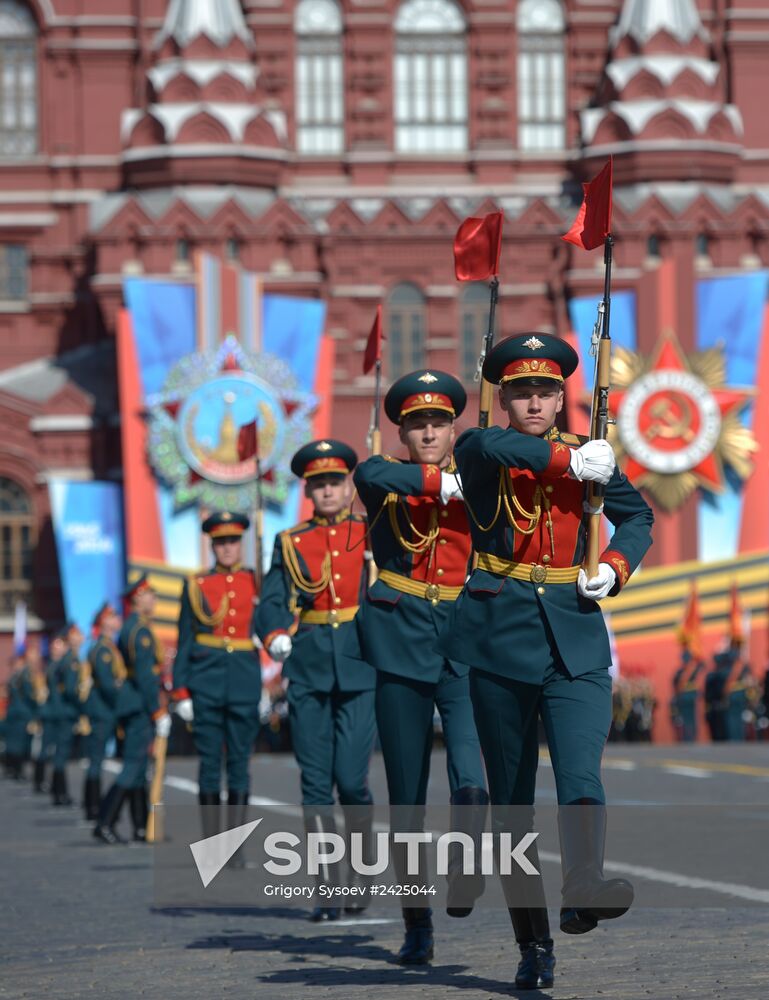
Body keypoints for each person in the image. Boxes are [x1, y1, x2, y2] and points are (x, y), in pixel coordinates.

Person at [438, 332, 654, 944]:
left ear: (562, 399)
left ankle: (583, 887)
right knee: (513, 802)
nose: (534, 403)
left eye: (546, 392)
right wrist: (569, 463)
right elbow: (486, 444)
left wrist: (613, 566)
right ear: (504, 400)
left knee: (581, 773)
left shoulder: (591, 454)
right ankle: (532, 944)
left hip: (575, 636)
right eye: (522, 392)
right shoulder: (482, 450)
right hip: (499, 638)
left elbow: (637, 517)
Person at [352, 371, 503, 969]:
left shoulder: (480, 478)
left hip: (464, 635)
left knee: (470, 761)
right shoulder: (388, 479)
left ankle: (465, 864)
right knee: (406, 791)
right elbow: (369, 474)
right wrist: (443, 483)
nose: (430, 434)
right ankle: (417, 922)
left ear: (454, 429)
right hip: (401, 638)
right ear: (403, 433)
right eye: (418, 425)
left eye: (440, 424)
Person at [255, 440, 375, 921]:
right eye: (319, 484)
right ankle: (327, 886)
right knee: (315, 784)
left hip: (360, 663)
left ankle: (361, 873)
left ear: (349, 487)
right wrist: (274, 634)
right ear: (308, 491)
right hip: (307, 667)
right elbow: (271, 599)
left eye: (335, 482)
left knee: (351, 780)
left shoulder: (369, 531)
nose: (327, 491)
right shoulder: (290, 541)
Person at [172, 512, 261, 857]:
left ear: (241, 544)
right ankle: (212, 847)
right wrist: (180, 689)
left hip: (243, 681)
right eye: (221, 542)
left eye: (233, 541)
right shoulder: (196, 585)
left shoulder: (257, 581)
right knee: (209, 765)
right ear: (212, 546)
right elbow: (185, 637)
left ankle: (235, 847)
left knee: (239, 764)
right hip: (205, 682)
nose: (227, 548)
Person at [94, 576, 170, 844]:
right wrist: (157, 710)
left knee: (138, 770)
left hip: (134, 703)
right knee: (133, 765)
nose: (154, 600)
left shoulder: (134, 627)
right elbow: (146, 676)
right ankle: (105, 821)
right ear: (138, 598)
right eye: (150, 595)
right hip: (139, 705)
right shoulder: (139, 631)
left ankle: (140, 826)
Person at [82, 603, 123, 821]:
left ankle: (92, 805)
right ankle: (93, 806)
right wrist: (123, 700)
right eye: (112, 616)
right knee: (96, 760)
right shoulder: (103, 650)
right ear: (104, 622)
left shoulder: (108, 647)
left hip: (105, 709)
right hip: (103, 710)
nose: (117, 620)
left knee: (97, 759)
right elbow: (108, 684)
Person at [48, 623, 84, 806]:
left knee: (60, 754)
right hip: (66, 712)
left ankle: (58, 792)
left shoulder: (64, 661)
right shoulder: (71, 660)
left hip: (60, 711)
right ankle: (60, 794)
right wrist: (82, 704)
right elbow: (71, 690)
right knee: (61, 754)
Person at [671, 650, 704, 742]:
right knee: (687, 720)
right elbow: (679, 685)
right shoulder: (686, 671)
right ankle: (688, 739)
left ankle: (691, 738)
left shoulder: (691, 671)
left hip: (689, 698)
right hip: (686, 698)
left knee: (691, 720)